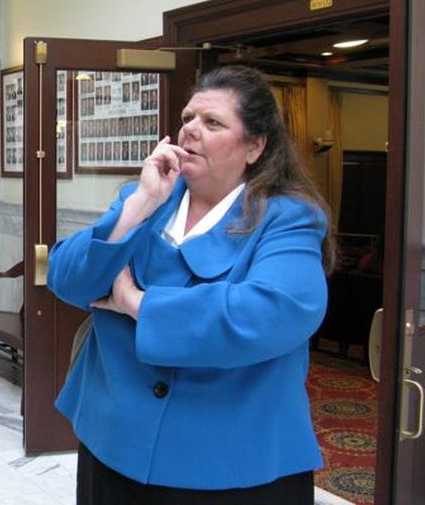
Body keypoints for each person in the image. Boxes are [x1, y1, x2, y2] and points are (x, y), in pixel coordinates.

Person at [48, 65, 335, 504]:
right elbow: (66, 279)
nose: (190, 131)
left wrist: (136, 304)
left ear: (255, 146)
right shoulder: (142, 200)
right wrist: (141, 203)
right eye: (187, 119)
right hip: (115, 445)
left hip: (230, 464)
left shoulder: (286, 218)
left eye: (213, 122)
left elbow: (271, 312)